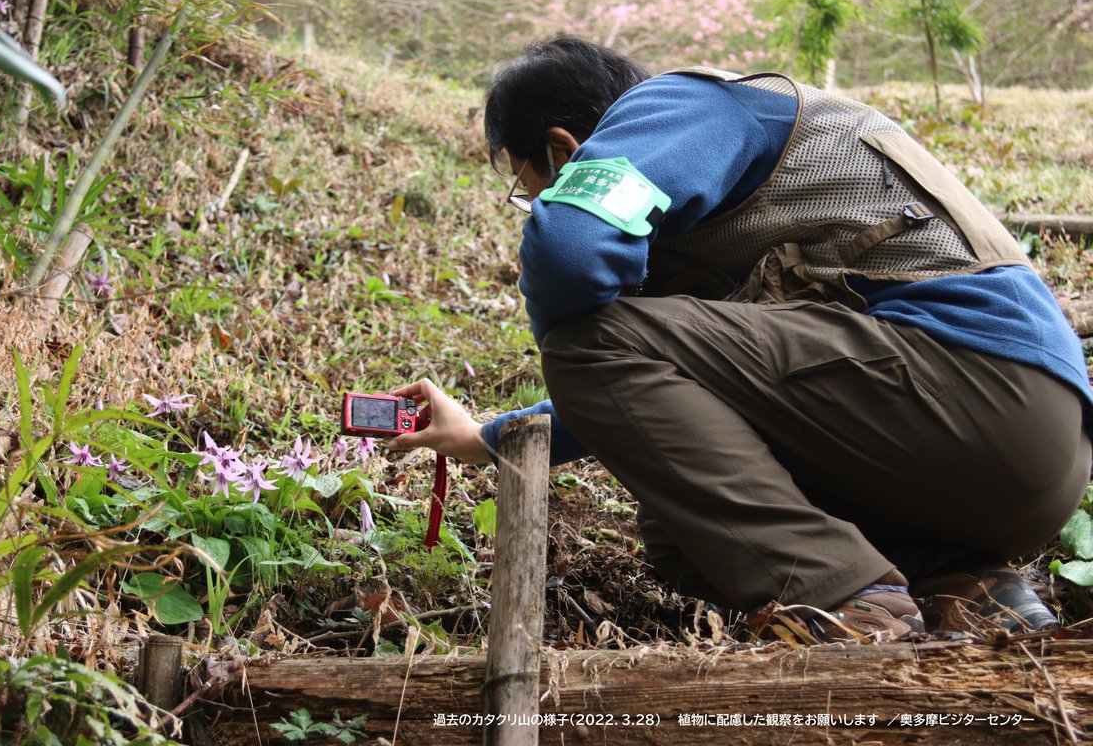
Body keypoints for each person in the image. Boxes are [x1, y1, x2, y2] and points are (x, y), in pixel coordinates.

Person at [387, 37, 1092, 642]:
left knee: (592, 342)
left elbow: (571, 258)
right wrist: (484, 438)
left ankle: (848, 606)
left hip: (976, 391)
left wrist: (572, 341)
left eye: (529, 188)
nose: (534, 206)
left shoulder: (682, 106)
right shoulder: (705, 207)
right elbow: (636, 398)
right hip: (1022, 466)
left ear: (563, 149)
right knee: (684, 533)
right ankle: (963, 586)